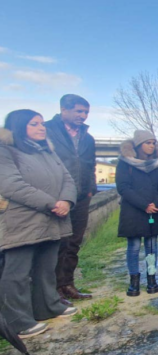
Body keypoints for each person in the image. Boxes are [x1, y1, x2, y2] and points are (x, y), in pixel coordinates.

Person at [0, 110, 78, 338]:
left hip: (52, 219)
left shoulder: (47, 150)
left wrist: (66, 200)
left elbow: (67, 179)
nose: (42, 128)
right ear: (19, 126)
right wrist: (52, 203)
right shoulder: (6, 150)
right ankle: (17, 321)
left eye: (42, 124)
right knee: (17, 272)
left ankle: (48, 306)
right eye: (34, 124)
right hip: (22, 221)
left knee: (46, 267)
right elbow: (11, 185)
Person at [45, 94, 96, 303]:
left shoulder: (87, 137)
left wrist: (91, 188)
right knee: (56, 243)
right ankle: (52, 290)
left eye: (85, 112)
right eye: (78, 111)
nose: (82, 116)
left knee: (74, 242)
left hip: (81, 196)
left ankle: (67, 284)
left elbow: (90, 164)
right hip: (56, 196)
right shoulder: (47, 130)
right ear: (63, 110)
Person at [116, 130, 158, 296]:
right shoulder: (125, 163)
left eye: (153, 143)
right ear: (139, 145)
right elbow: (124, 187)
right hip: (133, 210)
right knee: (133, 247)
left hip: (154, 211)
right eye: (148, 143)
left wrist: (156, 204)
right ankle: (134, 280)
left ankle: (151, 278)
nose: (151, 146)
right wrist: (144, 205)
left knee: (151, 246)